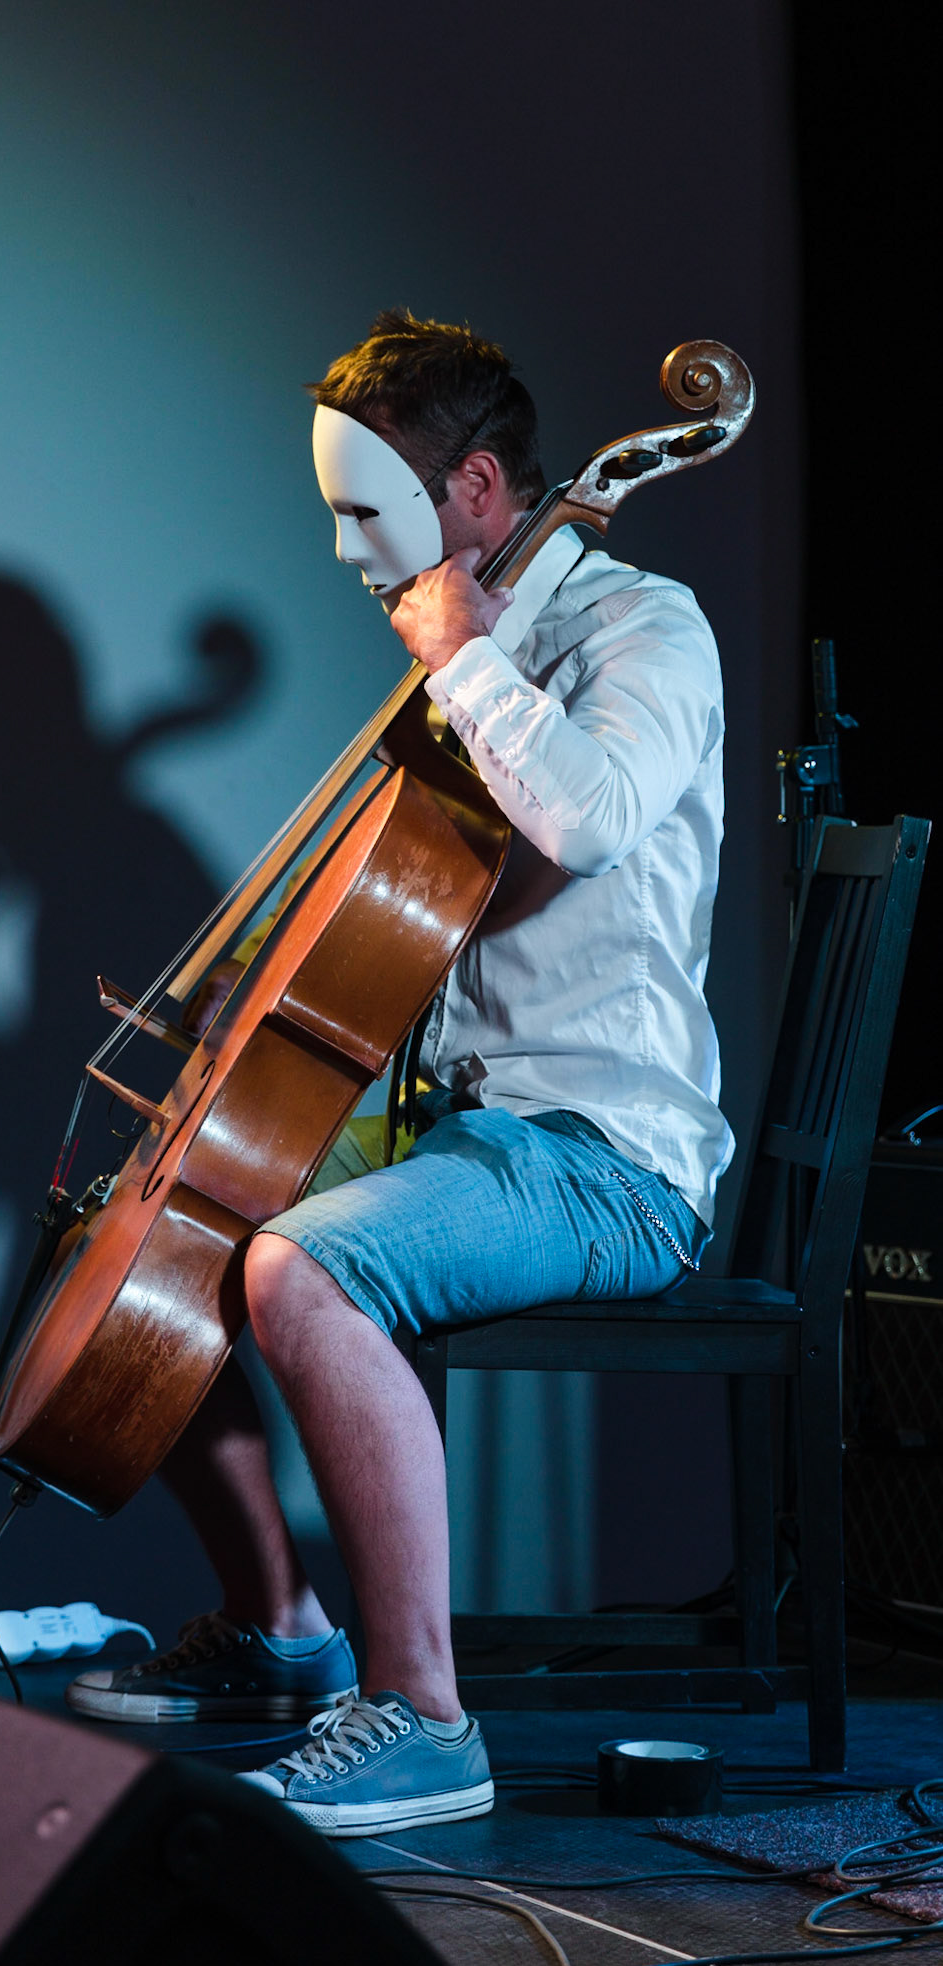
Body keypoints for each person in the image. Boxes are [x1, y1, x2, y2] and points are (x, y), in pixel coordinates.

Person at [66, 311, 732, 1838]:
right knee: (142, 1240)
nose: (347, 551)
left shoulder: (643, 628)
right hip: (466, 1138)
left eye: (367, 512)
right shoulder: (466, 662)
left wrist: (466, 662)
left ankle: (424, 1719)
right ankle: (282, 1629)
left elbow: (590, 819)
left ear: (477, 491)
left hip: (607, 1158)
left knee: (298, 1269)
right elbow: (417, 915)